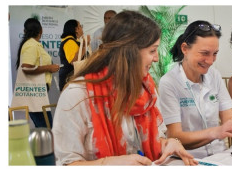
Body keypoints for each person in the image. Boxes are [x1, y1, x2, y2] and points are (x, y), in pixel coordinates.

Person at [52, 11, 197, 165]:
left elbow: (154, 137)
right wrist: (109, 164)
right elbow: (67, 165)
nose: (156, 58)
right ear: (129, 53)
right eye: (152, 51)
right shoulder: (78, 96)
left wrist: (168, 143)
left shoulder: (146, 89)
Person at [158, 20, 232, 159]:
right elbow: (175, 136)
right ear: (185, 49)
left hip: (219, 155)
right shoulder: (169, 82)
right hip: (187, 159)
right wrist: (216, 132)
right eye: (204, 53)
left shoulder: (214, 75)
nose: (210, 61)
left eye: (215, 53)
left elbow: (229, 118)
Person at [16, 17, 60, 128]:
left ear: (25, 31)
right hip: (35, 93)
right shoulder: (31, 45)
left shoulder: (33, 44)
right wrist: (49, 67)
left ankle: (43, 145)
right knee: (46, 128)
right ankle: (44, 146)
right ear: (41, 30)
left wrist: (49, 67)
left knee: (45, 127)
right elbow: (26, 68)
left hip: (37, 92)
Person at [58, 19, 89, 89]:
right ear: (76, 29)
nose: (82, 28)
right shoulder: (69, 42)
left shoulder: (74, 41)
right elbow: (74, 61)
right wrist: (84, 46)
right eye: (80, 26)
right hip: (69, 78)